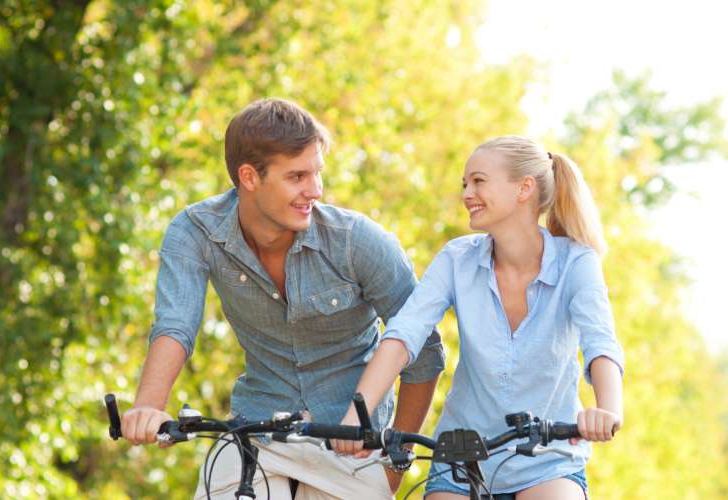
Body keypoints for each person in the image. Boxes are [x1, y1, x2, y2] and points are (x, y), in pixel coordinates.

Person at [120, 98, 445, 499]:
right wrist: (149, 406)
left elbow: (424, 350)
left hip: (351, 445)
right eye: (297, 177)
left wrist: (397, 457)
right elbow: (175, 325)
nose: (316, 190)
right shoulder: (195, 233)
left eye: (316, 173)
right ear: (250, 177)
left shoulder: (357, 242)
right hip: (255, 434)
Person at [333, 136, 625, 499]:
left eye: (479, 181)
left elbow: (600, 343)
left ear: (524, 188)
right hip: (461, 457)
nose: (467, 193)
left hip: (547, 457)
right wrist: (354, 417)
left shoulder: (576, 262)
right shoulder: (457, 259)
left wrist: (608, 410)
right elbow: (402, 337)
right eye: (465, 184)